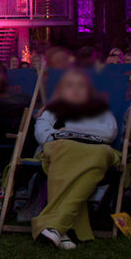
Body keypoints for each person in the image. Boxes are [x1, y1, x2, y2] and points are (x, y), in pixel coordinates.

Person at [31, 69, 118, 249]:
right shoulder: (53, 110)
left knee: (98, 154)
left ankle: (55, 227)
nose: (76, 89)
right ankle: (60, 229)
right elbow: (42, 134)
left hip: (94, 151)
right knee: (65, 150)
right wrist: (64, 135)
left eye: (81, 85)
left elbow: (109, 133)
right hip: (62, 150)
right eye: (70, 85)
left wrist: (67, 130)